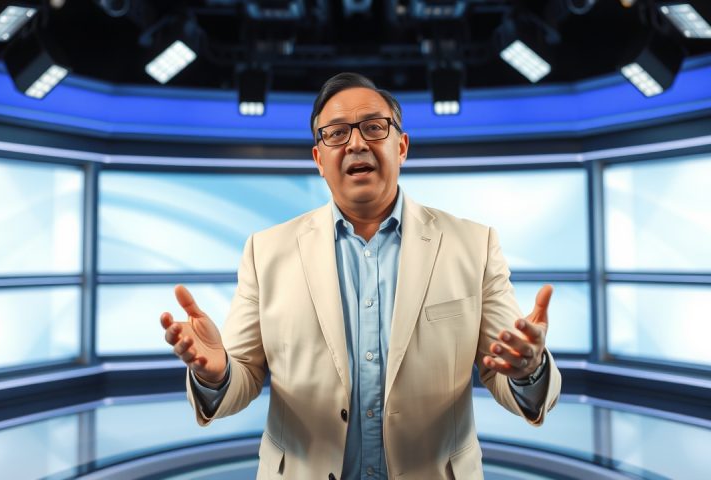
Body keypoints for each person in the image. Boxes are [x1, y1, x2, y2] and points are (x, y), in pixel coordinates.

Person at [160, 72, 562, 479]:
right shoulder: (265, 252)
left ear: (401, 147)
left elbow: (504, 369)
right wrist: (217, 375)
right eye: (336, 133)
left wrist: (529, 370)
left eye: (373, 127)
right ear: (319, 159)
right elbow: (243, 376)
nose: (356, 143)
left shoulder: (474, 245)